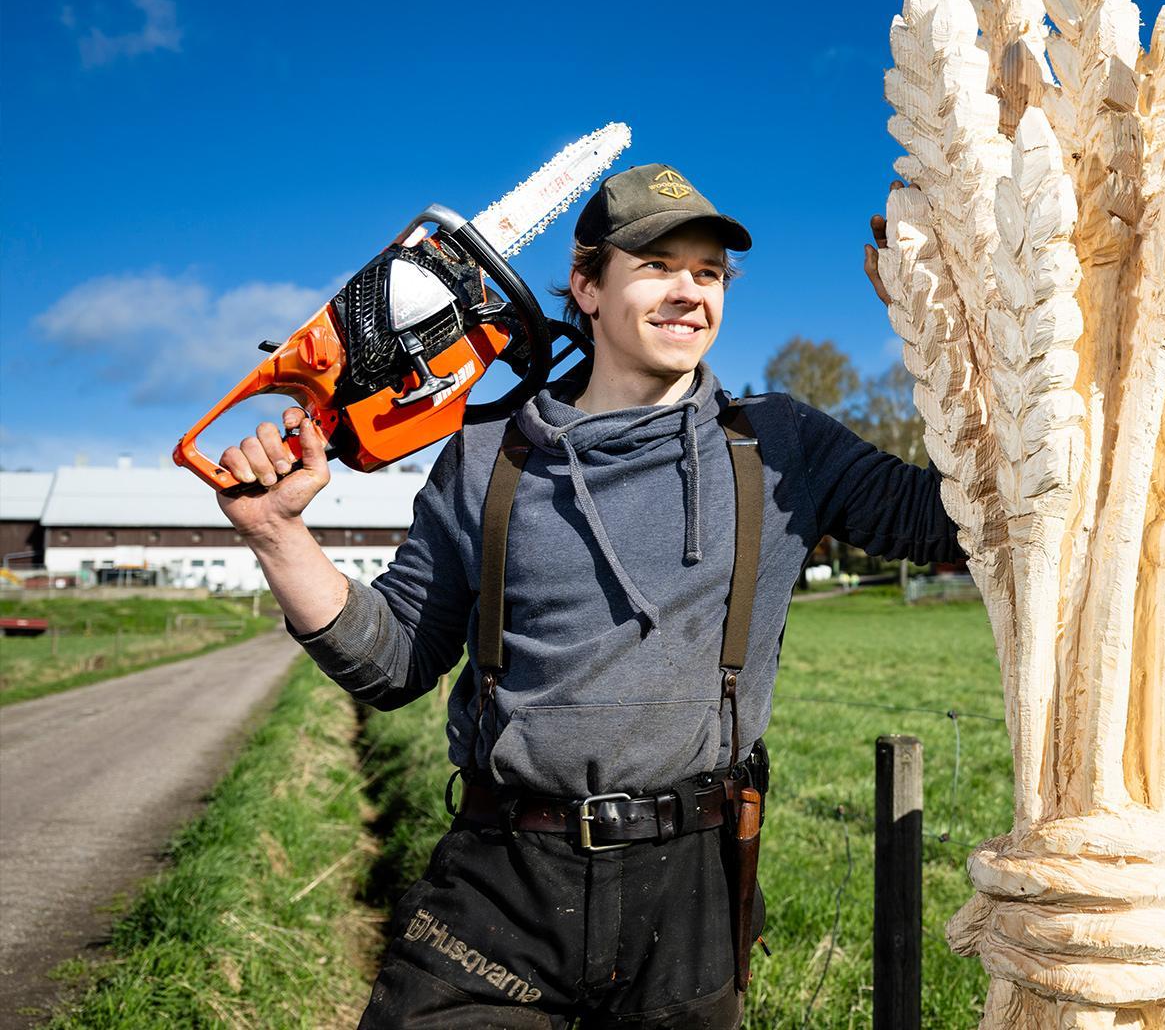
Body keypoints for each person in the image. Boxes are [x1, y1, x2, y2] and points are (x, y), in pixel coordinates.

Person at [214, 163, 961, 1028]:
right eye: (656, 265)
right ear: (587, 287)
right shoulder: (487, 456)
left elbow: (957, 523)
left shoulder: (782, 445)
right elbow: (396, 660)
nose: (690, 292)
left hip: (690, 890)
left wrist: (944, 331)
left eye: (710, 272)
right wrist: (277, 533)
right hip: (505, 883)